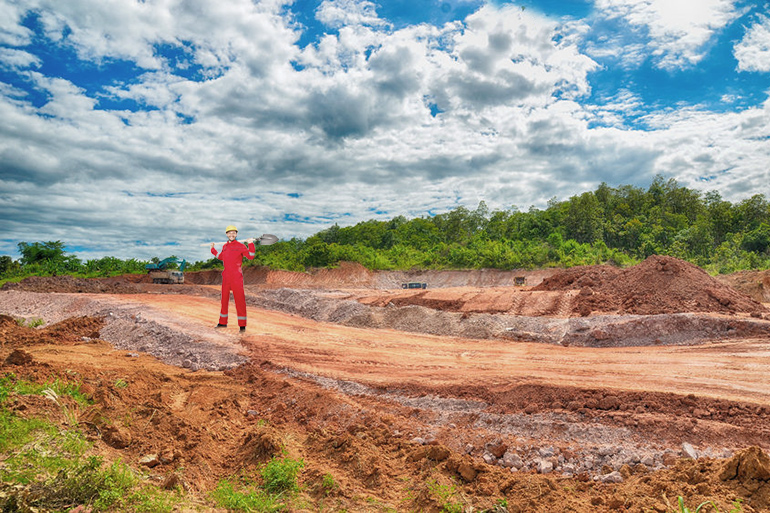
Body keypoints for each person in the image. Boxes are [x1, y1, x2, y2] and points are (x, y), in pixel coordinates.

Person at [210, 225, 256, 333]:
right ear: (226, 234)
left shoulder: (241, 246)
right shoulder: (225, 247)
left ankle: (242, 326)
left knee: (240, 301)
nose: (231, 234)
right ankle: (222, 323)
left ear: (236, 234)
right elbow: (221, 257)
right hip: (226, 276)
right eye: (229, 233)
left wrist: (250, 243)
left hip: (236, 276)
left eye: (234, 233)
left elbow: (251, 256)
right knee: (224, 300)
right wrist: (212, 250)